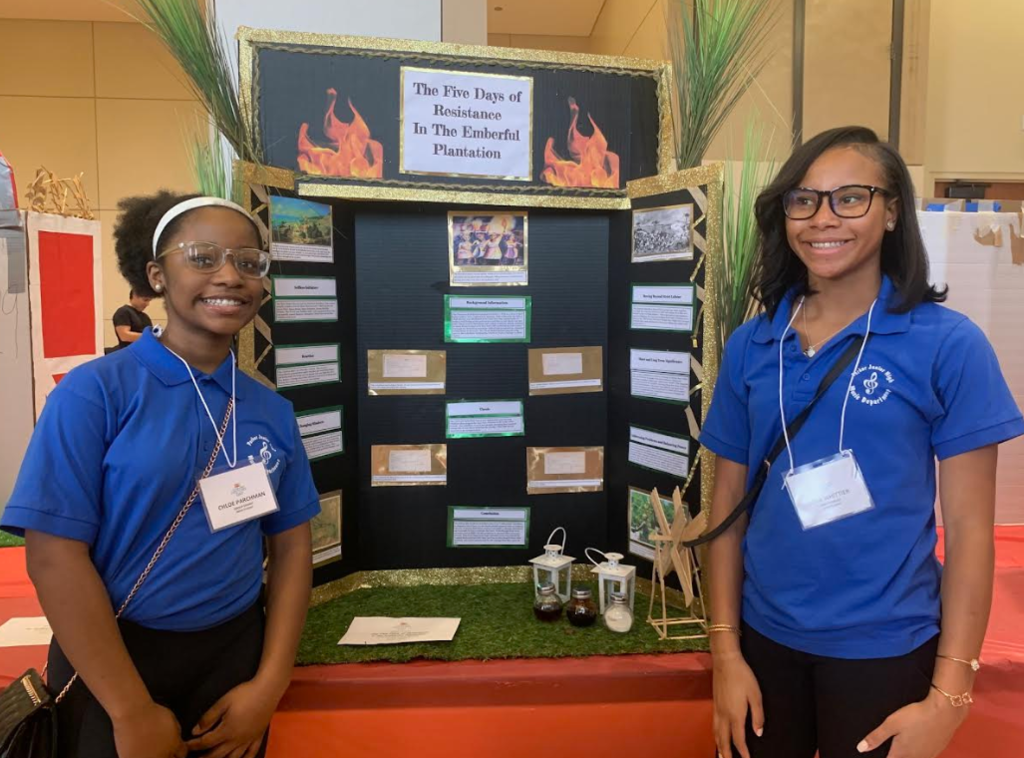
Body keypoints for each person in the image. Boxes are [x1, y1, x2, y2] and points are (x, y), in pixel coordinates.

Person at [700, 126, 1024, 758]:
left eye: (850, 197)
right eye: (804, 200)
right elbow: (727, 508)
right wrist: (725, 653)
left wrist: (950, 699)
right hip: (764, 645)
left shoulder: (948, 345)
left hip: (887, 649)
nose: (823, 219)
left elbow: (967, 530)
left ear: (894, 209)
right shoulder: (752, 346)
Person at [1, 191, 320, 758]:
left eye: (249, 262)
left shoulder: (270, 411)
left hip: (232, 661)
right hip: (113, 657)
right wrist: (128, 708)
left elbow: (292, 550)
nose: (229, 275)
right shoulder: (94, 394)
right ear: (156, 275)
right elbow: (53, 555)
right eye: (201, 257)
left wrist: (269, 685)